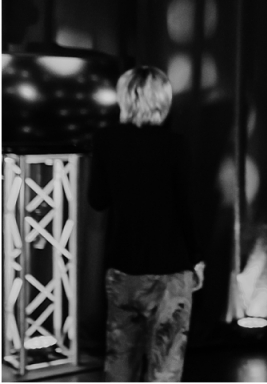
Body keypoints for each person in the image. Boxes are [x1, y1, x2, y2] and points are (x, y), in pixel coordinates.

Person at [88, 66, 205, 381]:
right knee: (166, 363)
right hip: (171, 271)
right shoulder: (175, 144)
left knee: (120, 361)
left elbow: (97, 200)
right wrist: (197, 258)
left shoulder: (105, 140)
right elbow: (188, 209)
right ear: (163, 100)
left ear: (125, 98)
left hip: (124, 267)